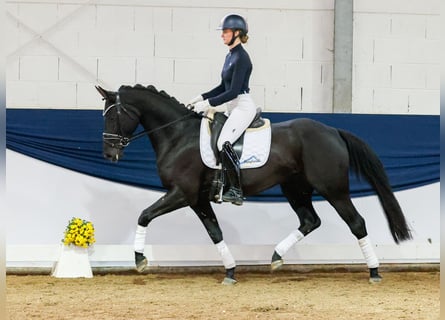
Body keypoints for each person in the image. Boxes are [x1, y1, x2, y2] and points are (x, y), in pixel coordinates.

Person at [189, 14, 257, 206]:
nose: (222, 35)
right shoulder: (230, 56)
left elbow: (234, 91)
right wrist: (201, 97)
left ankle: (235, 190)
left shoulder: (242, 57)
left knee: (223, 142)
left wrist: (208, 104)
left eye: (226, 32)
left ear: (237, 33)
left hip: (242, 107)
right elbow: (222, 87)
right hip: (232, 107)